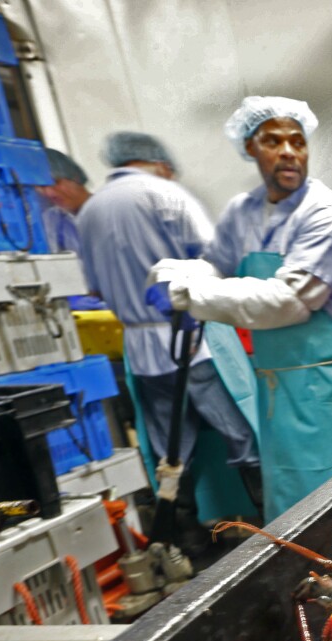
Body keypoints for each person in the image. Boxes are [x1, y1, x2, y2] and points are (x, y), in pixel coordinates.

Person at [148, 96, 332, 522]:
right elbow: (215, 265)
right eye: (273, 141)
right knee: (294, 507)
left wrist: (190, 297)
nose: (289, 150)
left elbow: (288, 303)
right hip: (279, 389)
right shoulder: (244, 211)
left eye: (298, 141)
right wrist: (172, 273)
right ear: (251, 148)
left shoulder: (327, 214)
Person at [76, 132, 259, 550]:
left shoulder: (89, 212)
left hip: (140, 349)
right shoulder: (166, 194)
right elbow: (215, 261)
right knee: (241, 433)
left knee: (172, 452)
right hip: (192, 339)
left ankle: (189, 542)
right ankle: (267, 521)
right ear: (159, 163)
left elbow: (94, 286)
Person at [34, 149, 90, 254]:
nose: (49, 193)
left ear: (76, 178)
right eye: (41, 187)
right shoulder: (51, 219)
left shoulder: (110, 210)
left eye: (56, 183)